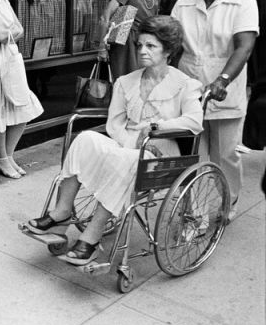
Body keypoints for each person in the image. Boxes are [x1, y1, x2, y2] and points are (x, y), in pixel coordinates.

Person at [26, 16, 203, 265]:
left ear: (168, 51)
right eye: (140, 45)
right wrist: (131, 140)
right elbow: (114, 124)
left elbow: (194, 122)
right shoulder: (126, 82)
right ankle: (63, 212)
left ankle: (92, 236)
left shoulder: (185, 85)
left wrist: (156, 126)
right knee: (85, 138)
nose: (142, 51)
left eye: (151, 46)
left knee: (125, 158)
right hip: (128, 143)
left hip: (161, 152)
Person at [171, 0, 259, 221]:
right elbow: (171, 44)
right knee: (193, 157)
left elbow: (243, 47)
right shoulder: (184, 3)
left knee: (226, 156)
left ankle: (227, 202)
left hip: (224, 91)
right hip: (189, 91)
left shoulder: (244, 2)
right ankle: (194, 216)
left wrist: (222, 80)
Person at [0, 0, 43, 178]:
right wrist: (10, 32)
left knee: (23, 106)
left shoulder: (3, 1)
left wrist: (10, 33)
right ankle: (1, 158)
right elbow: (2, 33)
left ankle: (8, 155)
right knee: (0, 111)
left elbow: (19, 29)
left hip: (11, 58)